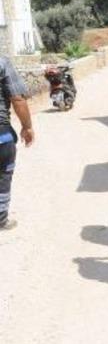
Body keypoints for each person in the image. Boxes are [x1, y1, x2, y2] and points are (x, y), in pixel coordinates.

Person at [0, 57, 34, 230]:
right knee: (4, 176)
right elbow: (18, 99)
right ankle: (1, 218)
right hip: (1, 135)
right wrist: (27, 127)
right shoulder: (2, 62)